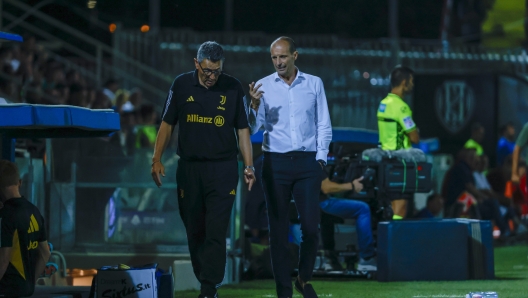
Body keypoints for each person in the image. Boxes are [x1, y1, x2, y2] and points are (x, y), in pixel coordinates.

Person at [150, 41, 255, 298]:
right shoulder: (181, 84)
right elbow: (166, 124)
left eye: (216, 71)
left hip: (223, 170)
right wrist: (156, 159)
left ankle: (209, 290)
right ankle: (206, 280)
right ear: (196, 64)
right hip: (190, 170)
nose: (211, 77)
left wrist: (249, 165)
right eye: (207, 70)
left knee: (216, 231)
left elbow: (242, 130)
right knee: (195, 231)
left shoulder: (232, 86)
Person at [248, 36, 332, 298]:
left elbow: (323, 124)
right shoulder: (262, 86)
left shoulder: (314, 83)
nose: (278, 62)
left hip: (308, 163)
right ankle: (283, 291)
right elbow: (252, 128)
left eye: (282, 56)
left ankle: (303, 278)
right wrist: (253, 107)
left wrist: (321, 158)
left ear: (295, 56)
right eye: (274, 57)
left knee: (310, 227)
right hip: (275, 163)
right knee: (278, 231)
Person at [0, 160, 50, 297]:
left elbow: (3, 259)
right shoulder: (34, 211)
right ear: (20, 182)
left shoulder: (5, 216)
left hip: (6, 290)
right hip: (25, 291)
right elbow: (45, 253)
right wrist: (29, 283)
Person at [377, 66, 420, 219]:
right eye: (411, 81)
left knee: (391, 207)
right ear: (404, 82)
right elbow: (414, 137)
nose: (412, 85)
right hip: (400, 164)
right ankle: (392, 241)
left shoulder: (383, 104)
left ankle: (388, 238)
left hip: (385, 162)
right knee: (400, 209)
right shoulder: (401, 108)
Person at [319, 173, 377, 271]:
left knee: (326, 217)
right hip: (319, 204)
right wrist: (352, 185)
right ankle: (367, 258)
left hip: (297, 205)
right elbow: (326, 188)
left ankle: (330, 258)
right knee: (363, 208)